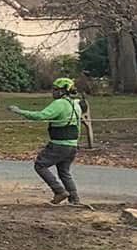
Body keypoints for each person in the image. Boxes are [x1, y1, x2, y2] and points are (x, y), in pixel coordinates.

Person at [9, 76, 85, 206]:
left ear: (63, 91)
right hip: (72, 146)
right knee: (64, 171)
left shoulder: (60, 104)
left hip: (59, 145)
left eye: (55, 89)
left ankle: (59, 191)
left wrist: (19, 111)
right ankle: (75, 199)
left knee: (40, 165)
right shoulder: (75, 104)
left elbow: (41, 116)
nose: (53, 92)